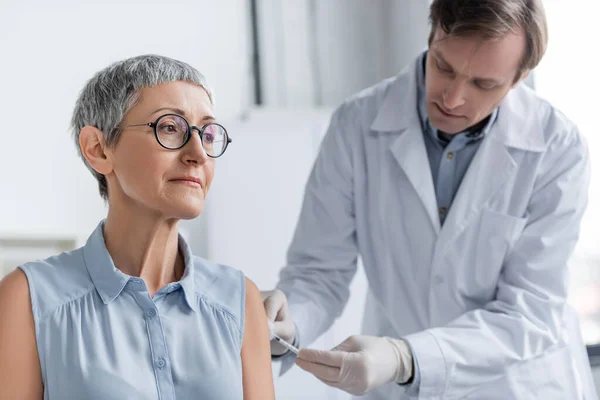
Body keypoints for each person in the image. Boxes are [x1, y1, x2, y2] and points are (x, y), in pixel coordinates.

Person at [262, 0, 599, 399]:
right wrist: (289, 321)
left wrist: (406, 357)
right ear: (432, 35)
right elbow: (319, 270)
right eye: (444, 67)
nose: (453, 98)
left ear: (519, 78)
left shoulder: (556, 149)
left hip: (518, 386)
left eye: (483, 84)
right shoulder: (356, 125)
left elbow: (529, 311)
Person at [0, 55, 275, 400]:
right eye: (170, 128)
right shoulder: (27, 299)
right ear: (98, 149)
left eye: (206, 133)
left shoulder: (239, 298)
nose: (198, 154)